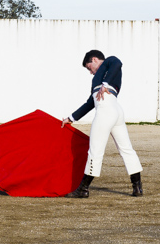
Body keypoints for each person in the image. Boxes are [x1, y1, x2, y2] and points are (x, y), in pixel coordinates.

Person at [61, 50, 143, 198]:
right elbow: (89, 103)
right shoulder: (105, 75)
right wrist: (71, 118)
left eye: (89, 67)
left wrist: (104, 84)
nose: (90, 72)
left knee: (95, 151)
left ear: (94, 59)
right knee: (127, 149)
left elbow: (117, 62)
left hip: (106, 110)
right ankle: (137, 188)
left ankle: (83, 189)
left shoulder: (109, 62)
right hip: (116, 110)